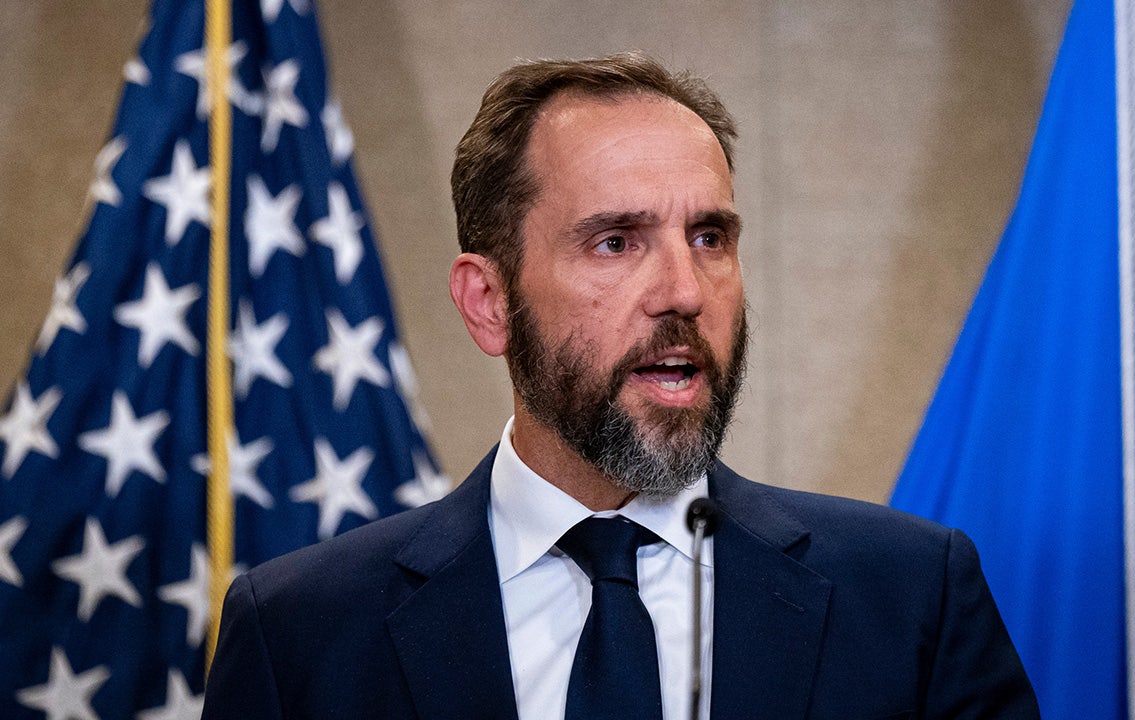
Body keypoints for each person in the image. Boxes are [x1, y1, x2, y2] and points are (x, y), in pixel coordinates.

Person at [202, 53, 1040, 719]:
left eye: (709, 236)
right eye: (615, 242)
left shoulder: (912, 601)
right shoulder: (300, 635)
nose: (683, 290)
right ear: (489, 302)